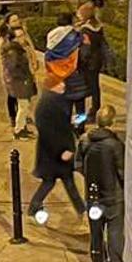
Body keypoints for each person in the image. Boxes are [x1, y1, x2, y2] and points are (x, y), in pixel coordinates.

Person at [27, 83, 86, 221]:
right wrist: (63, 150)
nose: (64, 86)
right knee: (52, 182)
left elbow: (59, 124)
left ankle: (81, 208)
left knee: (66, 181)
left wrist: (70, 121)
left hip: (56, 153)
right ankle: (33, 208)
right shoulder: (47, 105)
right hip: (54, 154)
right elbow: (50, 132)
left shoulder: (55, 101)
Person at [81, 105, 126, 262]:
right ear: (112, 122)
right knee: (115, 231)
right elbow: (122, 171)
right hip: (114, 195)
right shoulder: (115, 144)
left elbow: (79, 165)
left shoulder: (85, 140)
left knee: (96, 230)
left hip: (93, 195)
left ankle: (98, 259)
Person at [0, 16, 38, 135]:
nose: (22, 38)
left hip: (22, 80)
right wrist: (26, 78)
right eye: (19, 37)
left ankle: (23, 126)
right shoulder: (13, 52)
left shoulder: (19, 48)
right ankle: (19, 129)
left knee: (25, 105)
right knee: (23, 105)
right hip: (19, 81)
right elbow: (14, 68)